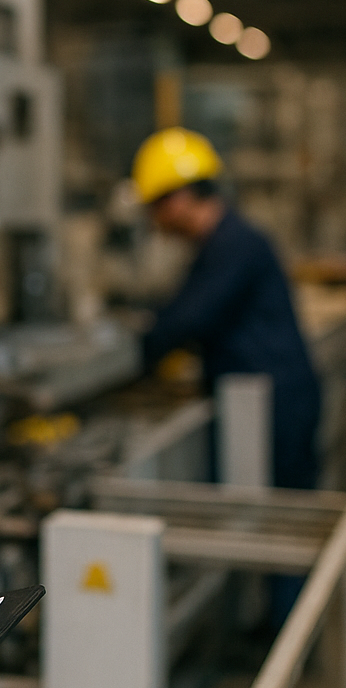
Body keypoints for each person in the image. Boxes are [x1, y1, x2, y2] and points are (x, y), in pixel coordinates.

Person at [133, 127, 323, 490]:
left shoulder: (233, 247)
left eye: (155, 208)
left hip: (275, 403)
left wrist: (137, 350)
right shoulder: (222, 245)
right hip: (260, 396)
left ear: (179, 199)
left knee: (282, 518)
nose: (155, 222)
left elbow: (187, 318)